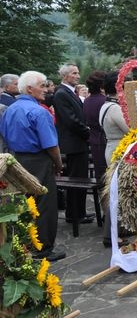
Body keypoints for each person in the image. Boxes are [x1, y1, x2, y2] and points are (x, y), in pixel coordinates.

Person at [0, 71, 66, 261]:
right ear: (30, 89)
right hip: (38, 160)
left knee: (22, 204)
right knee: (45, 204)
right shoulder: (39, 111)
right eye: (43, 86)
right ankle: (44, 248)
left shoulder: (9, 109)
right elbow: (51, 145)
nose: (46, 90)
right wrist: (58, 163)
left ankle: (24, 245)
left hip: (16, 159)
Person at [53, 64, 93, 224]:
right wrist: (88, 132)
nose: (78, 76)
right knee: (77, 180)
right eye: (74, 73)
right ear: (65, 76)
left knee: (80, 179)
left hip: (77, 142)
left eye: (78, 73)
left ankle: (79, 212)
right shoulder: (61, 93)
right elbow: (71, 120)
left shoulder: (69, 92)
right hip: (73, 143)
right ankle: (74, 214)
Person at [99, 71, 129, 247]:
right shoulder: (115, 108)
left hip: (112, 147)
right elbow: (129, 129)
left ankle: (120, 228)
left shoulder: (106, 105)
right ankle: (111, 235)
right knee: (117, 192)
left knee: (118, 190)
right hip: (118, 149)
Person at [82, 71, 107, 205]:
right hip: (104, 140)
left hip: (94, 140)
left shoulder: (87, 100)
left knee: (100, 176)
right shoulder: (104, 101)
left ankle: (104, 208)